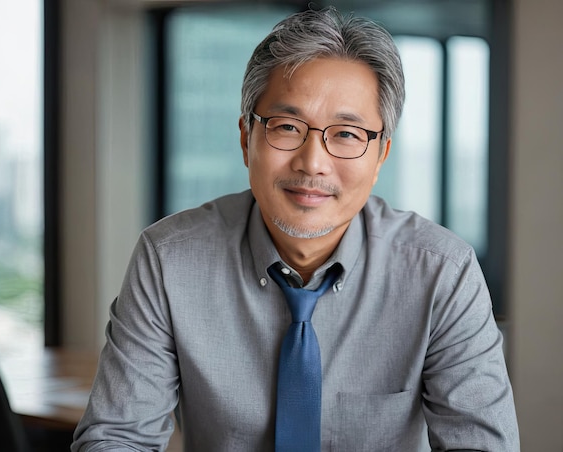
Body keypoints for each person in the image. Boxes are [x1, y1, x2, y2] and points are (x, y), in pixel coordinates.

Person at [72, 6, 520, 451]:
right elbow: (116, 438)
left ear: (381, 155)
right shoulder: (169, 260)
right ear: (247, 137)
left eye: (346, 134)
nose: (312, 162)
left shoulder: (443, 273)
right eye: (287, 126)